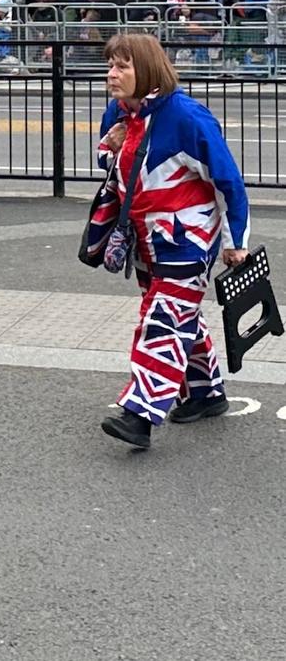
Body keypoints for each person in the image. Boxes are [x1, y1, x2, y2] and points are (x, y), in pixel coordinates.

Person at [97, 34, 249, 449]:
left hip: (188, 238)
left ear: (146, 70)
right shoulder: (119, 110)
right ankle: (205, 393)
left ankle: (140, 415)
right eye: (110, 65)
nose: (111, 74)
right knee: (180, 315)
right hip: (144, 236)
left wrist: (236, 242)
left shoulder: (187, 117)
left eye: (122, 66)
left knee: (162, 320)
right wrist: (110, 146)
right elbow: (110, 162)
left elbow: (228, 182)